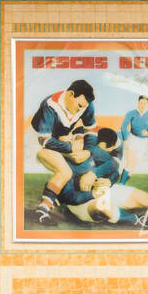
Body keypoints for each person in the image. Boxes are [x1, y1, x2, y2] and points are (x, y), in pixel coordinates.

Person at [30, 78, 97, 225]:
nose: (81, 109)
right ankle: (42, 210)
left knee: (84, 165)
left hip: (60, 138)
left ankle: (61, 202)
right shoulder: (50, 105)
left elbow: (91, 130)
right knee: (65, 172)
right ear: (71, 94)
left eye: (83, 106)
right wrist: (71, 148)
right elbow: (45, 140)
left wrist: (87, 151)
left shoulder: (86, 105)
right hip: (38, 141)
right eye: (79, 105)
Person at [120, 95, 148, 174]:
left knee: (133, 165)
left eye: (145, 103)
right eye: (141, 103)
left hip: (143, 142)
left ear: (147, 105)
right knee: (129, 163)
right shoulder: (131, 113)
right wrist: (125, 139)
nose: (142, 105)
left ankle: (125, 182)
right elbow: (123, 126)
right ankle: (122, 183)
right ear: (138, 103)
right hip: (133, 138)